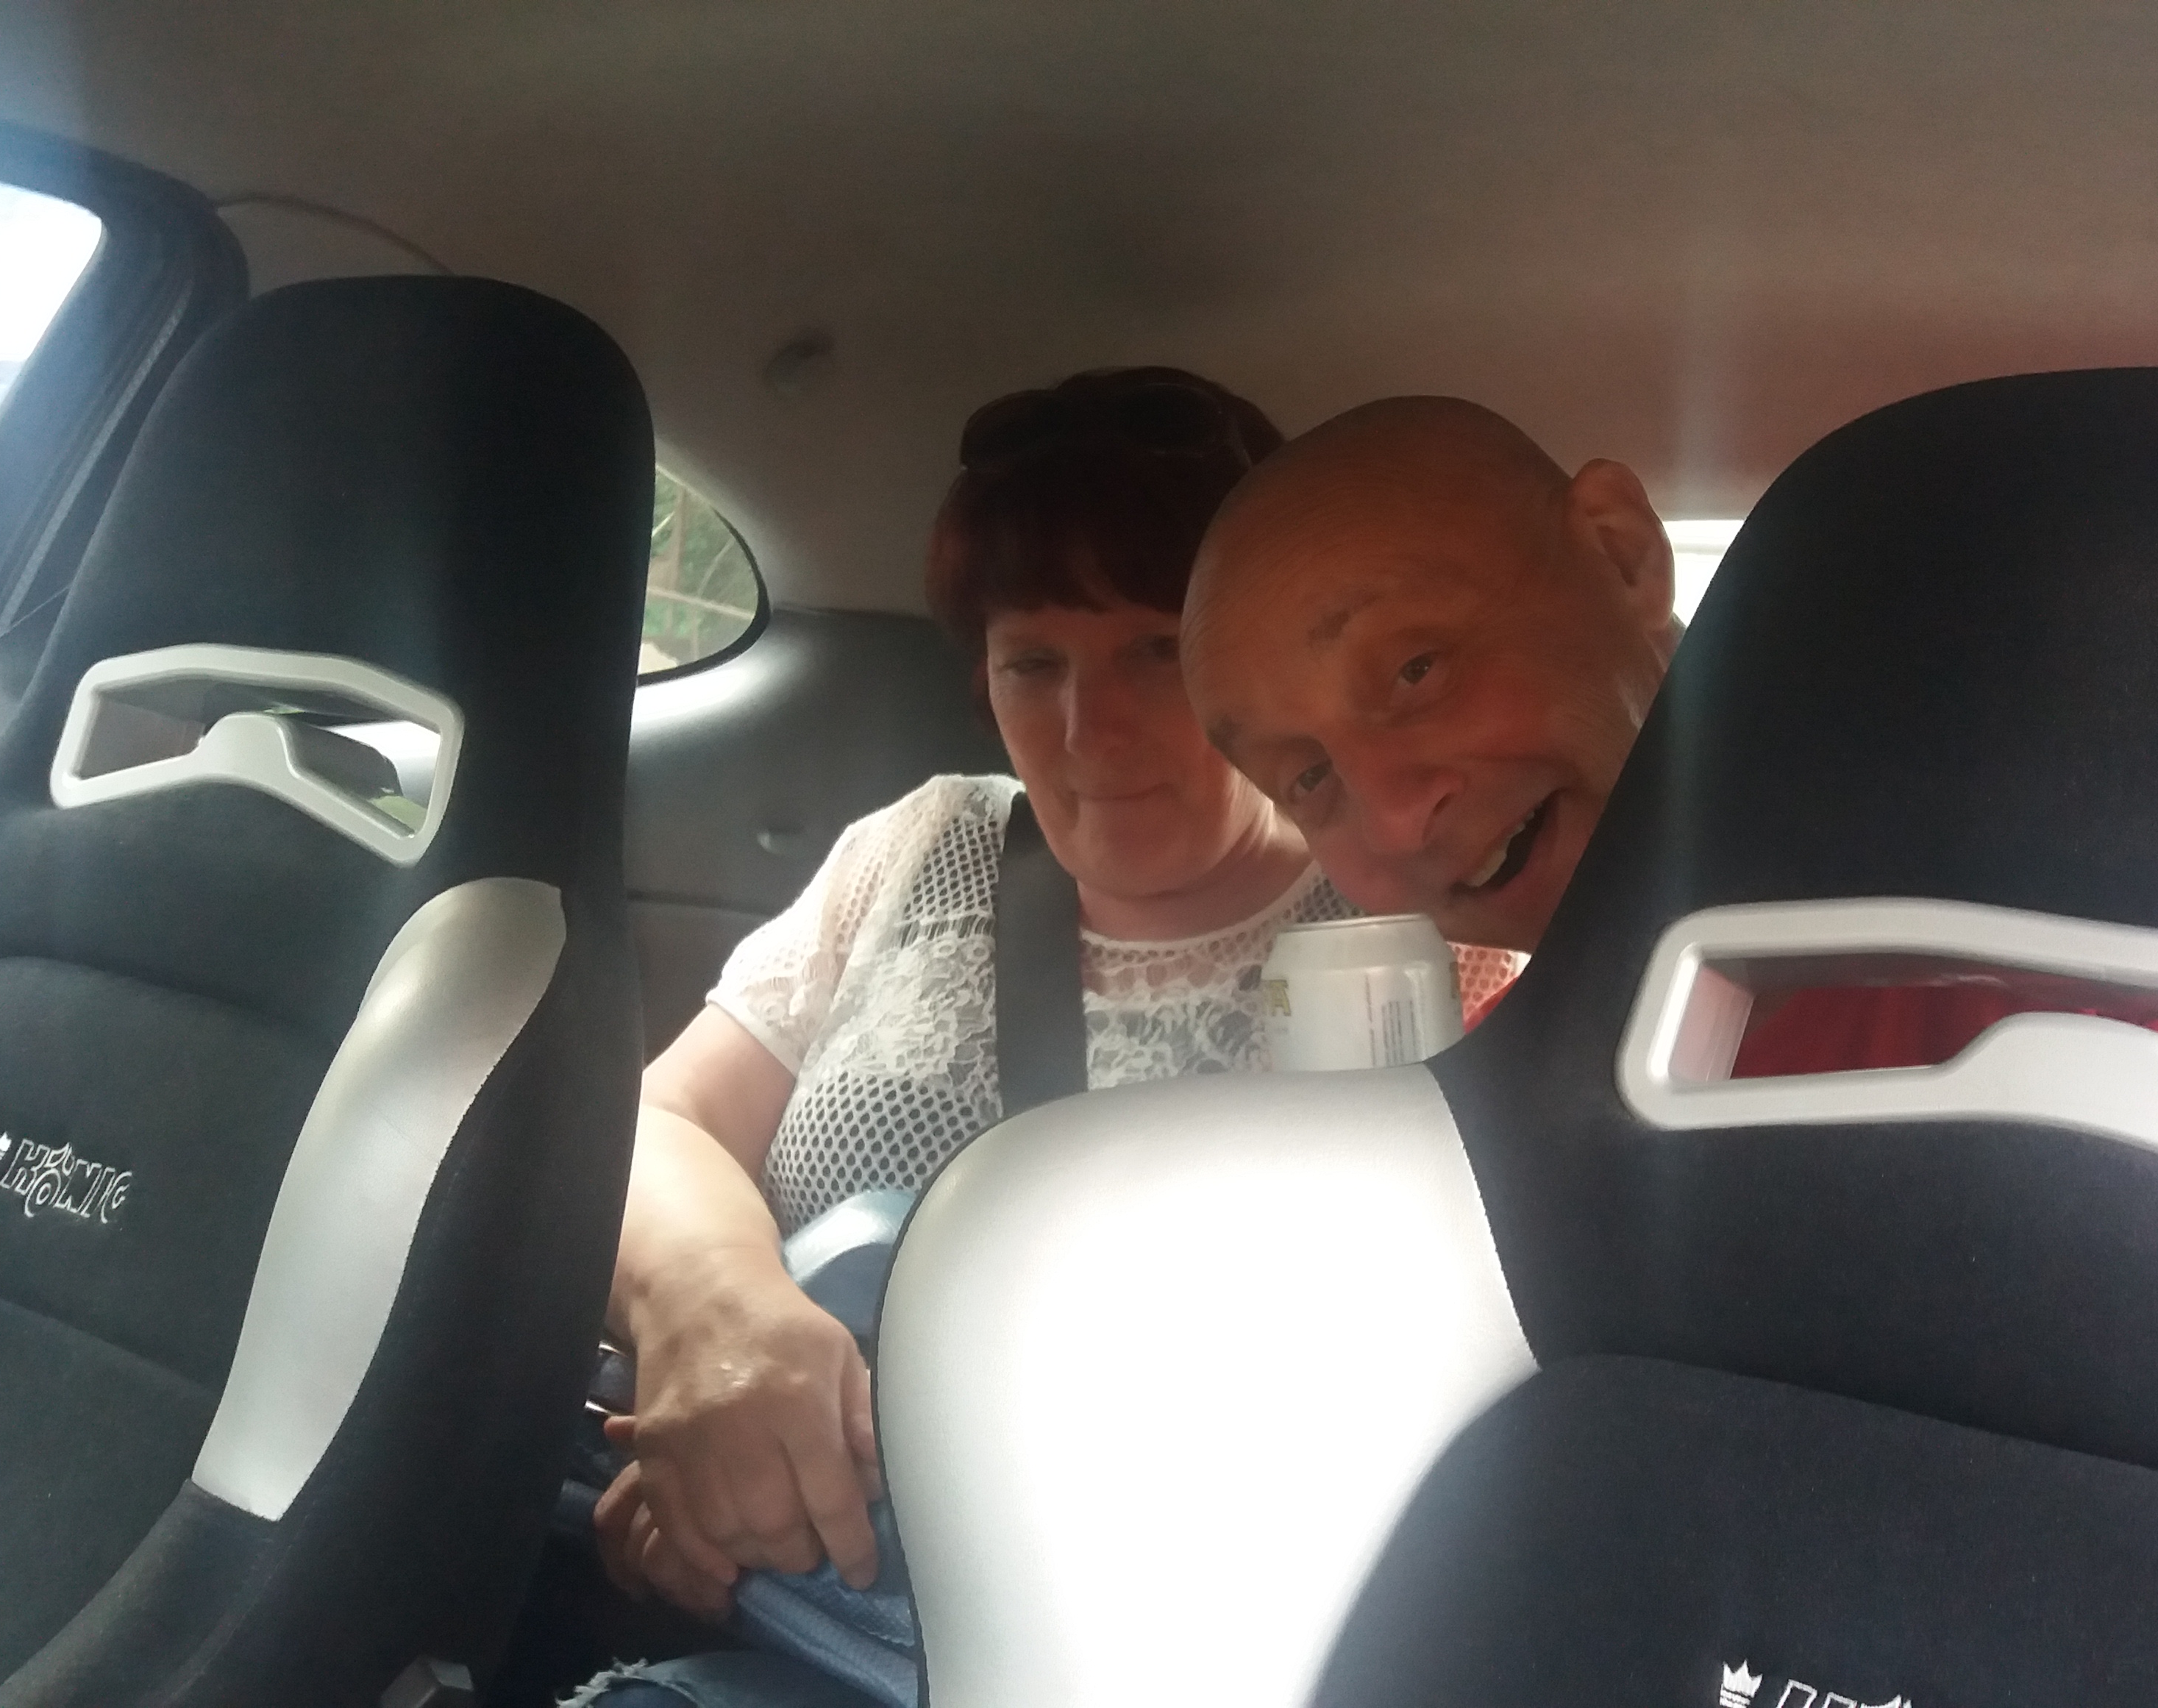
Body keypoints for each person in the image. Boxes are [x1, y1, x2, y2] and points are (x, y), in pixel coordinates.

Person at [586, 373, 1524, 1686]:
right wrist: (712, 1326)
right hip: (808, 1635)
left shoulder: (1407, 927)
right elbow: (660, 1121)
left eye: (1154, 651)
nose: (1091, 731)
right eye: (1035, 662)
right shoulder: (922, 843)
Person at [1180, 395, 2158, 1230]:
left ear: (1621, 554)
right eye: (1309, 779)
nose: (1395, 816)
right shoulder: (1501, 1101)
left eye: (1417, 670)